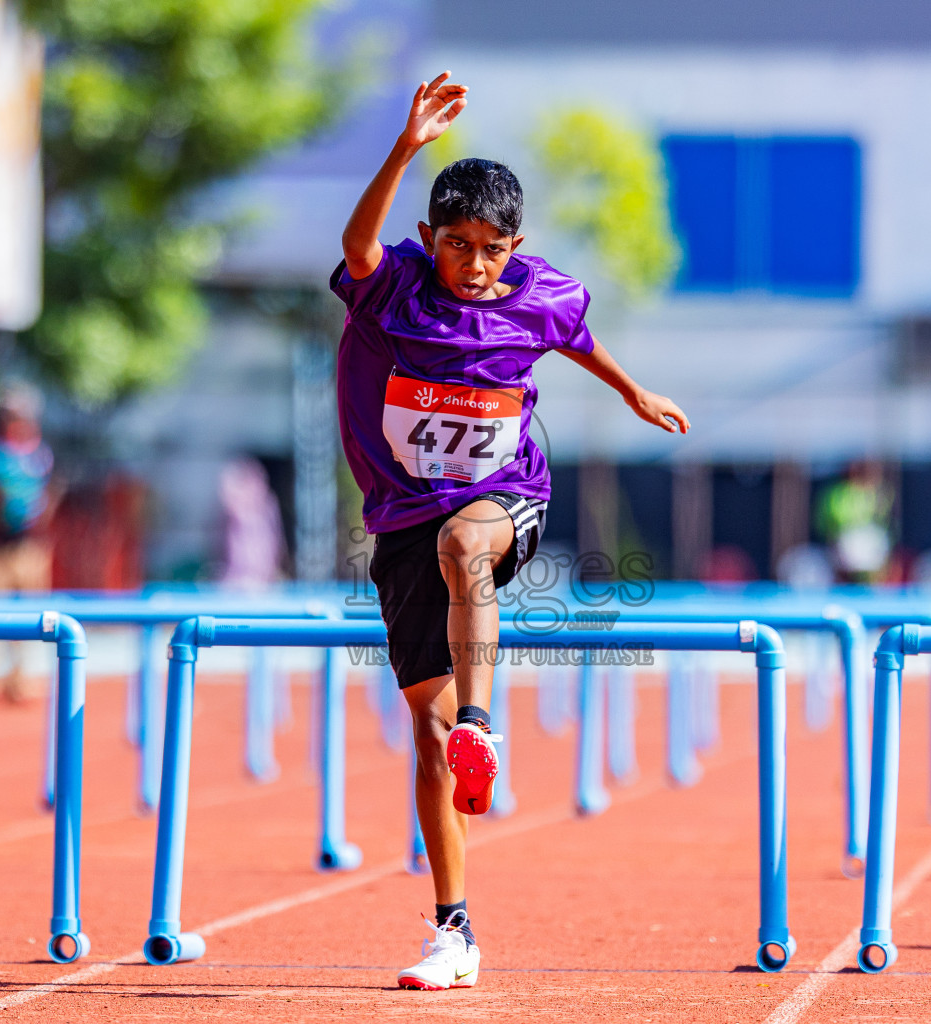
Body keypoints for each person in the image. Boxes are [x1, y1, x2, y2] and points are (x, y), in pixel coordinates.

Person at [333, 72, 689, 991]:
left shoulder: (542, 292)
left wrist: (633, 389)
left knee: (466, 550)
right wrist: (407, 148)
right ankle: (453, 932)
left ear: (515, 247)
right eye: (459, 246)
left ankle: (484, 725)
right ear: (430, 240)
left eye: (493, 250)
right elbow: (355, 244)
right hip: (401, 516)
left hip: (507, 498)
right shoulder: (397, 288)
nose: (476, 265)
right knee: (422, 729)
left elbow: (576, 337)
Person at [0, 384, 58, 701]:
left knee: (33, 619)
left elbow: (45, 496)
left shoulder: (40, 454)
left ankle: (21, 680)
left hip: (30, 547)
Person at [815, 460, 894, 584]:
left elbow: (883, 522)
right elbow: (828, 526)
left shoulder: (878, 493)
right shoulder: (837, 494)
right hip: (844, 542)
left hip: (870, 545)